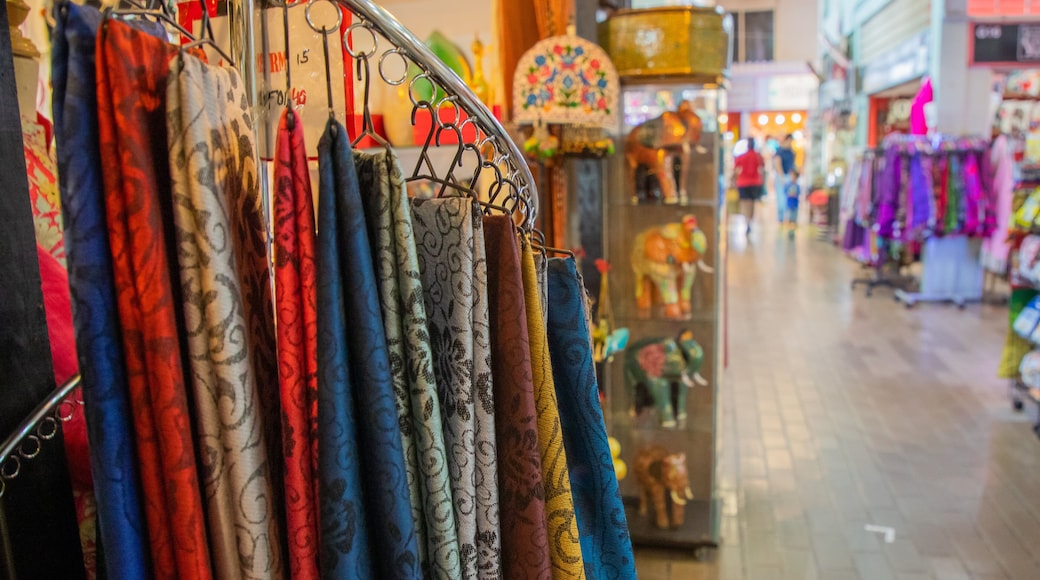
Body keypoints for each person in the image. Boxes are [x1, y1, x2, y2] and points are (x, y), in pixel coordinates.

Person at [733, 138, 765, 236]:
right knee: (752, 203)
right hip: (755, 182)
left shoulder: (742, 157)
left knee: (745, 202)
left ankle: (746, 220)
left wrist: (733, 181)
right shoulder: (758, 156)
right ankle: (749, 221)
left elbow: (736, 169)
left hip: (743, 182)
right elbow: (762, 168)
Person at [774, 134, 797, 223]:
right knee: (781, 198)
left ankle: (791, 217)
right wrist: (781, 176)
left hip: (789, 176)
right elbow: (777, 163)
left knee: (790, 197)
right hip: (782, 176)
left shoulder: (791, 152)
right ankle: (781, 217)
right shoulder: (780, 151)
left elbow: (793, 165)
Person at [784, 169, 801, 238]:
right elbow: (785, 192)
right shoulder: (788, 185)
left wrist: (794, 194)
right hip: (789, 204)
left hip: (795, 205)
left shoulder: (797, 186)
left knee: (794, 219)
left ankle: (792, 231)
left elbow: (798, 193)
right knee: (789, 218)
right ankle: (789, 230)